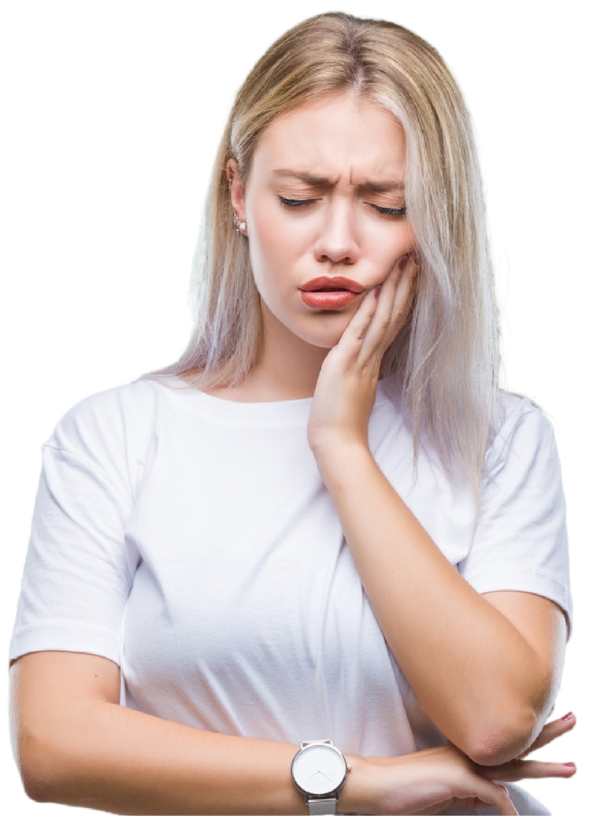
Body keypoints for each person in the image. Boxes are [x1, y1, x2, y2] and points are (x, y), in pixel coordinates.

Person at [7, 10, 576, 816]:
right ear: (239, 195)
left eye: (385, 204)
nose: (337, 241)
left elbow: (492, 718)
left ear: (435, 216)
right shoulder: (115, 434)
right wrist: (352, 781)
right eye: (300, 197)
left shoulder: (501, 438)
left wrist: (341, 443)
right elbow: (54, 743)